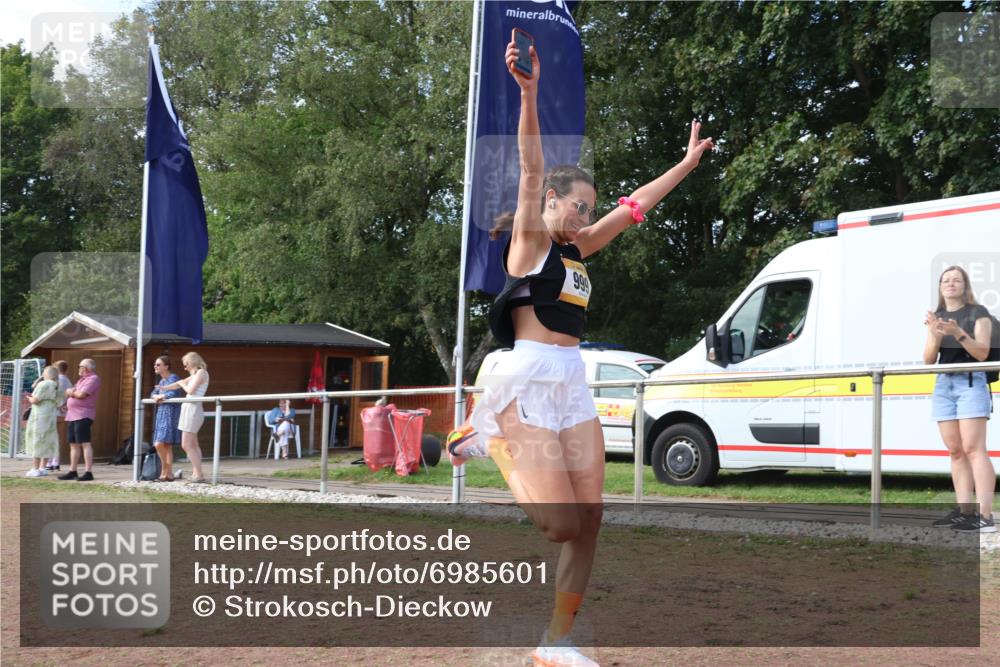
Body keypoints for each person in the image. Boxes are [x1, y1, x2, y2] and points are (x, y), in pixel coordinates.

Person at [456, 33, 714, 667]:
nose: (582, 217)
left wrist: (684, 165)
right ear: (551, 202)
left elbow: (638, 207)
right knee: (560, 526)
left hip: (572, 381)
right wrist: (530, 92)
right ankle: (489, 432)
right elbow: (532, 164)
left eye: (589, 210)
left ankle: (556, 642)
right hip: (524, 381)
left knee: (591, 520)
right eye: (576, 207)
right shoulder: (529, 245)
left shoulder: (578, 249)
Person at [924, 265, 996, 533]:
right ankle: (964, 511)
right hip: (944, 384)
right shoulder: (939, 316)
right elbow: (929, 359)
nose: (951, 284)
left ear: (965, 287)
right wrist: (935, 334)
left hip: (970, 382)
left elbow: (982, 353)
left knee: (974, 449)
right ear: (941, 287)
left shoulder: (978, 314)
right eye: (946, 280)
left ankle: (985, 516)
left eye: (957, 280)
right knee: (955, 450)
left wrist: (957, 334)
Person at [159, 352, 210, 483]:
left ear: (192, 361)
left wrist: (181, 384)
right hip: (189, 408)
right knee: (193, 444)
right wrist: (163, 387)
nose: (184, 367)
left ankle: (199, 474)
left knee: (186, 444)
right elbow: (178, 384)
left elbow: (190, 390)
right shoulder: (194, 375)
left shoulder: (201, 373)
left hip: (193, 409)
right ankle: (197, 473)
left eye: (185, 364)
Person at [58, 358, 101, 482]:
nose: (78, 368)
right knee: (73, 444)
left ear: (87, 368)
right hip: (72, 414)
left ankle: (88, 472)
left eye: (80, 366)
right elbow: (72, 392)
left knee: (85, 443)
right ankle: (73, 471)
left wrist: (71, 392)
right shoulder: (81, 380)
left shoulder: (93, 379)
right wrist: (68, 400)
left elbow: (81, 395)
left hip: (83, 414)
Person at [150, 356, 183, 481]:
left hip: (170, 413)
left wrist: (161, 396)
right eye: (155, 364)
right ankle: (168, 474)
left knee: (159, 443)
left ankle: (164, 470)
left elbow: (172, 393)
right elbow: (153, 393)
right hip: (161, 413)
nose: (155, 366)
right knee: (166, 445)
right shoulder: (162, 381)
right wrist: (156, 397)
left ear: (166, 366)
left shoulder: (173, 378)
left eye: (158, 364)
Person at [24, 366, 60, 477]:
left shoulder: (43, 384)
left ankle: (35, 468)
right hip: (50, 415)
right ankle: (43, 468)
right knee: (47, 440)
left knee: (37, 439)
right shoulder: (56, 385)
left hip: (40, 415)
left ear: (46, 374)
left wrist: (29, 398)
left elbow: (35, 400)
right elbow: (59, 402)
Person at [47, 360, 73, 471]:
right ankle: (56, 461)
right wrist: (65, 405)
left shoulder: (56, 380)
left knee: (50, 436)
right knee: (58, 437)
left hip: (53, 410)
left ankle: (49, 461)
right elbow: (70, 395)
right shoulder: (68, 380)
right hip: (63, 412)